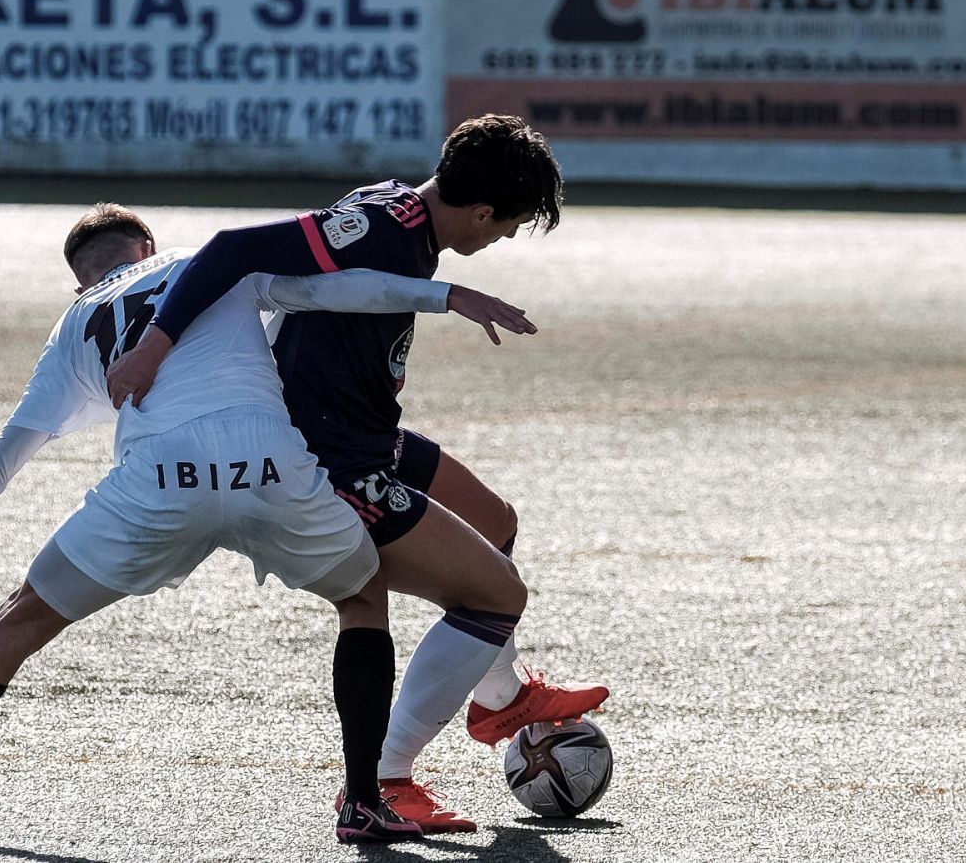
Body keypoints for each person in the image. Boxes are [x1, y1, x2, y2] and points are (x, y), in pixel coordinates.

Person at [0, 204, 539, 843]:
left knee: (14, 626)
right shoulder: (199, 266)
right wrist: (446, 296)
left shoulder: (74, 325)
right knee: (360, 594)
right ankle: (366, 804)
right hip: (270, 466)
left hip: (159, 483)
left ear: (82, 277)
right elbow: (343, 290)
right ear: (147, 251)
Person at [105, 114, 610, 832]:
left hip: (365, 433)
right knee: (495, 597)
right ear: (482, 211)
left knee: (496, 521)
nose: (499, 240)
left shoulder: (399, 208)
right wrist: (156, 347)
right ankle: (389, 779)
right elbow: (229, 251)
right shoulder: (380, 228)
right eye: (506, 227)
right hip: (325, 458)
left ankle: (502, 699)